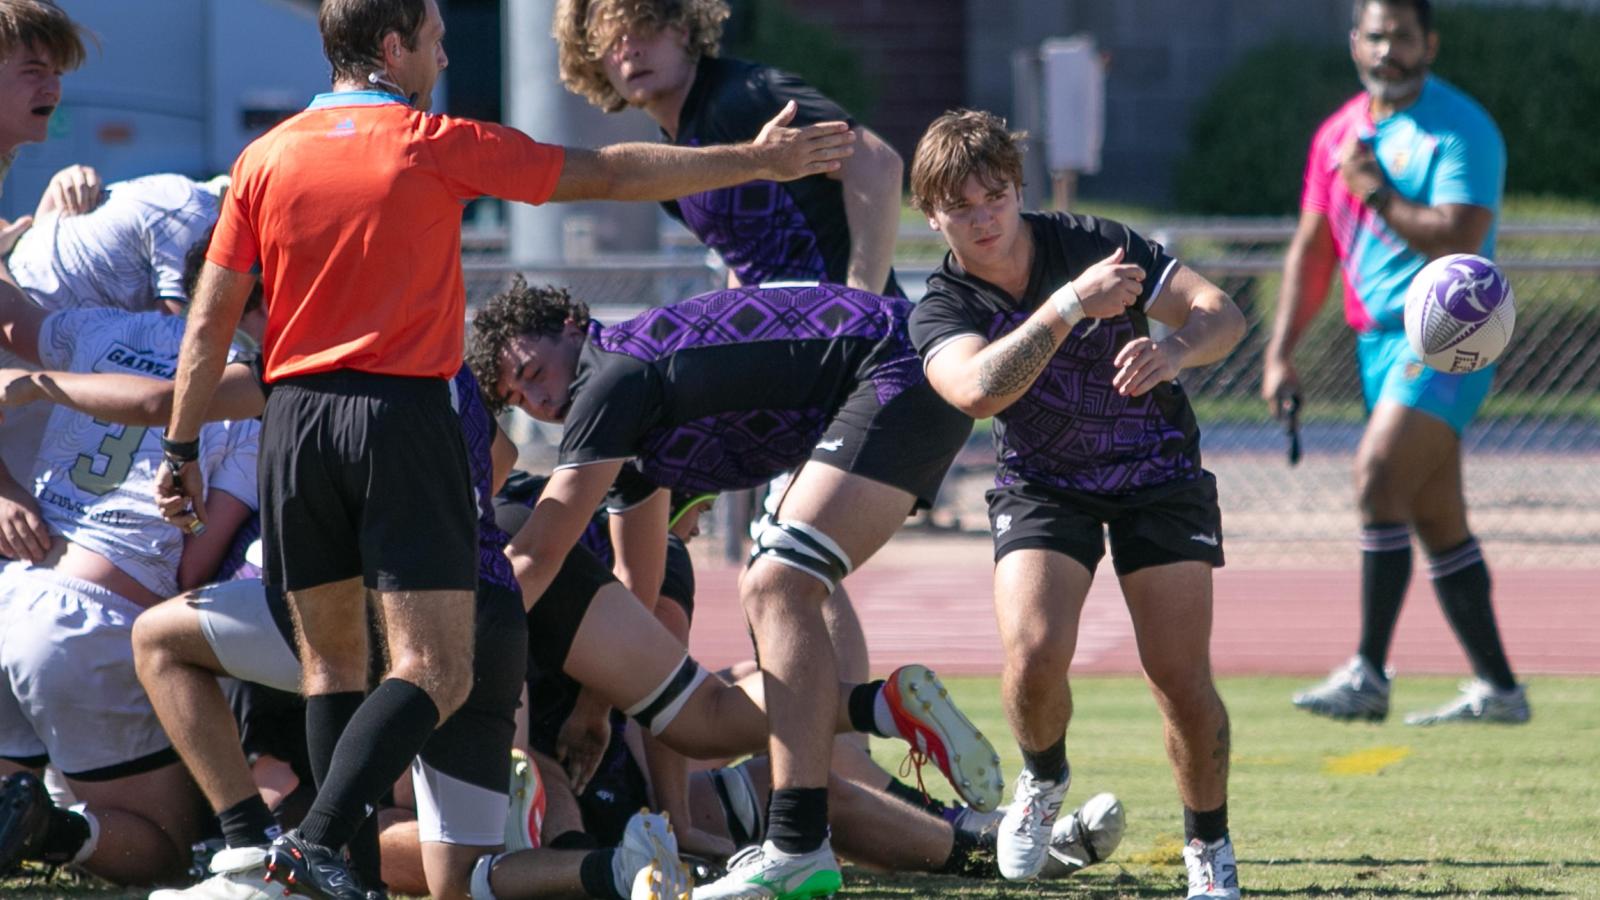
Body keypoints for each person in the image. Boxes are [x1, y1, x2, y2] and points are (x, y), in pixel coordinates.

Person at [157, 0, 856, 896]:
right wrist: (755, 161)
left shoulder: (262, 157)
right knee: (436, 669)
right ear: (391, 45)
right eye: (437, 39)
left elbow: (210, 323)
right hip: (398, 420)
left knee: (331, 667)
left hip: (291, 422)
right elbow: (606, 172)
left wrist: (181, 446)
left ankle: (346, 879)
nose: (446, 55)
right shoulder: (426, 140)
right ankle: (318, 843)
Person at [469, 277, 993, 899]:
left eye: (532, 371)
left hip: (896, 367)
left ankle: (798, 845)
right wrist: (595, 708)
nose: (535, 399)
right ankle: (873, 726)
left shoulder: (607, 381)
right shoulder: (627, 435)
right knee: (762, 612)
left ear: (572, 326)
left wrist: (453, 659)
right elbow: (639, 586)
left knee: (776, 586)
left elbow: (537, 551)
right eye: (515, 396)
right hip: (893, 375)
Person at [906, 109, 1247, 899]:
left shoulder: (1094, 239)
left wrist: (1173, 350)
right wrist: (1067, 307)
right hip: (1043, 482)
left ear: (1019, 191)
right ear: (932, 216)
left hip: (1157, 473)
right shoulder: (941, 304)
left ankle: (1209, 848)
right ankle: (1043, 779)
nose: (983, 217)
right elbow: (978, 390)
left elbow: (1220, 313)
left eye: (996, 195)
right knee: (1031, 652)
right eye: (961, 206)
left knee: (1178, 677)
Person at [1262, 0, 1526, 726]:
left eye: (1402, 36)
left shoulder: (1461, 126)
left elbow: (1459, 235)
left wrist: (1376, 190)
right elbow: (1313, 251)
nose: (1387, 50)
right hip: (1376, 342)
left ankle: (1369, 674)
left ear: (1429, 42)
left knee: (1377, 475)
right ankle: (1501, 690)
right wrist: (1280, 353)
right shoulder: (1336, 136)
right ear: (1356, 42)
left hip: (1451, 334)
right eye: (1375, 36)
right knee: (1437, 517)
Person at [0, 277, 261, 885]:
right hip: (88, 625)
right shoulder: (255, 389)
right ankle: (55, 829)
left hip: (12, 591)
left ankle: (33, 813)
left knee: (15, 786)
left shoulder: (106, 327)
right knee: (169, 850)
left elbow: (10, 311)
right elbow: (194, 569)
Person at [553, 0, 903, 294]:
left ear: (683, 28)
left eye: (644, 27)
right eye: (611, 41)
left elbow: (879, 165)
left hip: (867, 351)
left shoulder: (748, 94)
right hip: (791, 354)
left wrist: (860, 307)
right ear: (593, 62)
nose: (630, 50)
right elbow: (744, 257)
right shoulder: (668, 159)